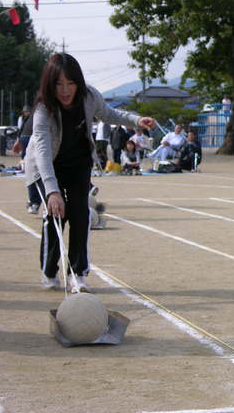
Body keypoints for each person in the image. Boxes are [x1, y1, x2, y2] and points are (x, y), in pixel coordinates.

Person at [24, 53, 155, 292]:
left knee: (80, 214)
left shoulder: (89, 96)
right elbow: (42, 150)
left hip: (78, 163)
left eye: (70, 84)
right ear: (50, 84)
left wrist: (137, 120)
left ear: (78, 83)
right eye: (59, 84)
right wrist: (52, 191)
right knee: (55, 215)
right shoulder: (44, 109)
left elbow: (110, 114)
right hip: (47, 166)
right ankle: (49, 271)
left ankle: (78, 274)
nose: (65, 91)